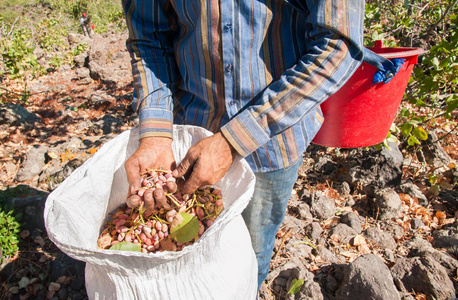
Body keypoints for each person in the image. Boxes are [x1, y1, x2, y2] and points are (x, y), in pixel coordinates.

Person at [122, 0, 365, 291]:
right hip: (190, 135)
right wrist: (156, 133)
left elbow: (338, 46)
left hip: (272, 141)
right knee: (187, 253)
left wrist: (234, 139)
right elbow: (149, 38)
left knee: (250, 252)